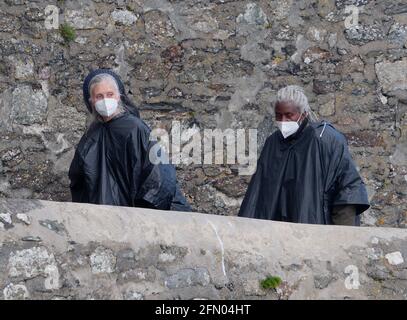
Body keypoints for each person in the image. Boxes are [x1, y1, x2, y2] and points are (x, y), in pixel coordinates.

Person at [238, 85, 370, 225]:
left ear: (304, 113)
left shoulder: (326, 140)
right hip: (277, 232)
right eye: (278, 115)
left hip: (315, 229)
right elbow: (258, 195)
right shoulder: (273, 143)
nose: (283, 121)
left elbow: (347, 187)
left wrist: (342, 236)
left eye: (289, 115)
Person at [68, 69, 191, 212]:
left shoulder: (135, 128)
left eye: (110, 94)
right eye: (99, 96)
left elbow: (158, 175)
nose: (105, 100)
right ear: (91, 101)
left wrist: (141, 211)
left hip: (136, 216)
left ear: (119, 96)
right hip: (104, 217)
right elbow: (79, 179)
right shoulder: (90, 137)